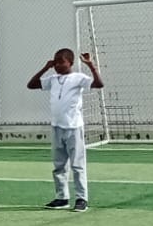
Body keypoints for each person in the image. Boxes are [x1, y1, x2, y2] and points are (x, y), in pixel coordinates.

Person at [27, 48, 103, 211]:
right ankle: (62, 197)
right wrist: (45, 67)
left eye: (61, 62)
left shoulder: (78, 78)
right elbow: (31, 85)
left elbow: (99, 84)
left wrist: (91, 66)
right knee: (59, 165)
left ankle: (81, 198)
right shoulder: (53, 79)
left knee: (77, 165)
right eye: (55, 62)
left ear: (70, 63)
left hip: (73, 127)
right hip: (57, 127)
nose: (57, 65)